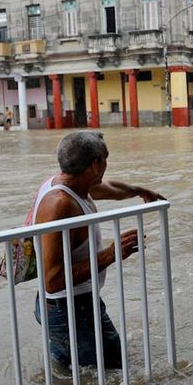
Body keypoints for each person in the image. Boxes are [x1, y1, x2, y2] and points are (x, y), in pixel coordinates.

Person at [32, 131, 165, 369]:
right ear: (95, 165)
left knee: (82, 373)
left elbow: (109, 188)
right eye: (105, 159)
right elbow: (51, 279)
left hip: (73, 306)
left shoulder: (72, 185)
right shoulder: (60, 205)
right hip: (68, 310)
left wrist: (139, 191)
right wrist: (109, 255)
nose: (106, 166)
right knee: (111, 372)